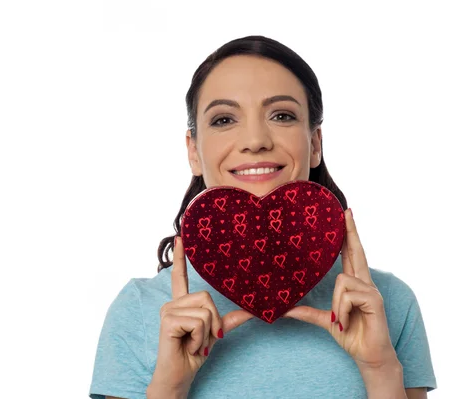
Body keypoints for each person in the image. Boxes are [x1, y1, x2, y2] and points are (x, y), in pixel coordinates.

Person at [88, 35, 437, 399]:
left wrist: (380, 370)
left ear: (315, 143)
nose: (255, 140)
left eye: (282, 115)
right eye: (224, 119)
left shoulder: (388, 302)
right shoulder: (141, 310)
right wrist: (170, 386)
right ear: (193, 152)